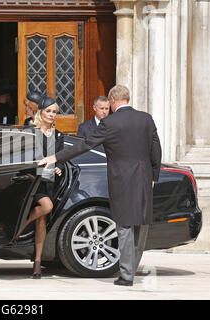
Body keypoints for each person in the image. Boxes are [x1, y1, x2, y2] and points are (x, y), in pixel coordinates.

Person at [39, 85, 162, 286]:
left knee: (123, 224)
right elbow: (156, 148)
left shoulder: (109, 123)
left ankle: (126, 274)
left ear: (113, 101)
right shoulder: (146, 119)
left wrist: (55, 157)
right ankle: (131, 268)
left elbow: (85, 145)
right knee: (141, 224)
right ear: (127, 99)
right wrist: (154, 174)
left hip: (121, 179)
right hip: (144, 178)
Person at [15, 95, 64, 279]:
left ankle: (37, 262)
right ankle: (20, 227)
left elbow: (61, 158)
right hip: (31, 182)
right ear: (40, 113)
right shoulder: (31, 131)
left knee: (42, 220)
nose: (51, 115)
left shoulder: (58, 135)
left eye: (54, 112)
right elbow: (23, 157)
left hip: (49, 182)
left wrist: (58, 167)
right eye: (48, 111)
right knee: (46, 207)